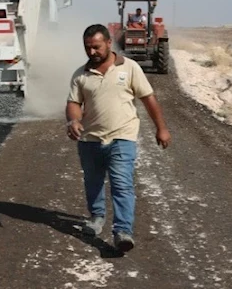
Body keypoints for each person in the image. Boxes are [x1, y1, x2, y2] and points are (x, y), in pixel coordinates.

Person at [65, 24, 171, 252]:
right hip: (90, 139)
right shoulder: (81, 74)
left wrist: (161, 128)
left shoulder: (130, 68)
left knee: (121, 184)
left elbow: (148, 98)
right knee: (92, 182)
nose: (92, 52)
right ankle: (97, 217)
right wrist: (73, 121)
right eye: (87, 48)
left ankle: (123, 231)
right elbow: (74, 102)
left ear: (108, 43)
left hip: (122, 137)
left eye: (96, 47)